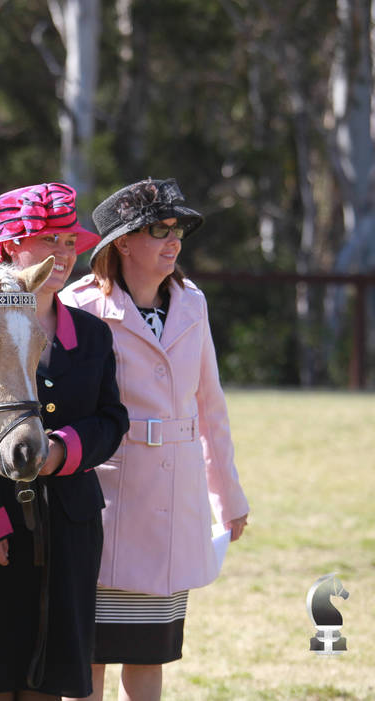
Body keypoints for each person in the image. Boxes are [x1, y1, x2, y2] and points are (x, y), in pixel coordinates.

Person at [59, 178, 250, 701]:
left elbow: (210, 406)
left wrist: (227, 497)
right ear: (122, 242)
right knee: (90, 660)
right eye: (159, 229)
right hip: (104, 499)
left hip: (172, 501)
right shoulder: (78, 307)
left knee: (150, 655)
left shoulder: (193, 302)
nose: (174, 241)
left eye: (179, 229)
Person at [0, 183, 129, 700]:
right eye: (49, 239)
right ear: (7, 248)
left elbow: (112, 419)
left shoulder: (92, 335)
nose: (65, 254)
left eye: (70, 242)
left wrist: (64, 449)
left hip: (70, 527)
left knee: (51, 683)